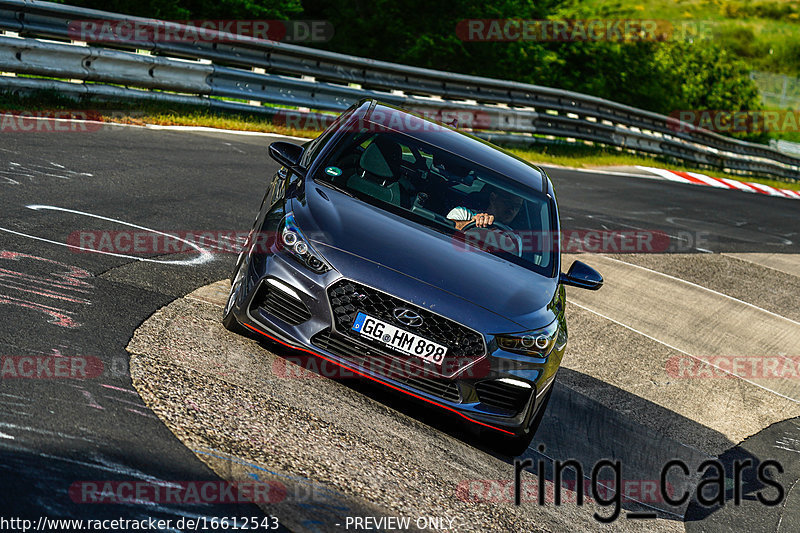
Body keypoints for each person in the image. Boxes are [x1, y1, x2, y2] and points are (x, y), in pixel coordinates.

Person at [447, 185, 524, 231]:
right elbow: (445, 231)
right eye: (507, 203)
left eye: (517, 206)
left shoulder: (512, 236)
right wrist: (471, 223)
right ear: (493, 198)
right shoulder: (463, 213)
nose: (511, 210)